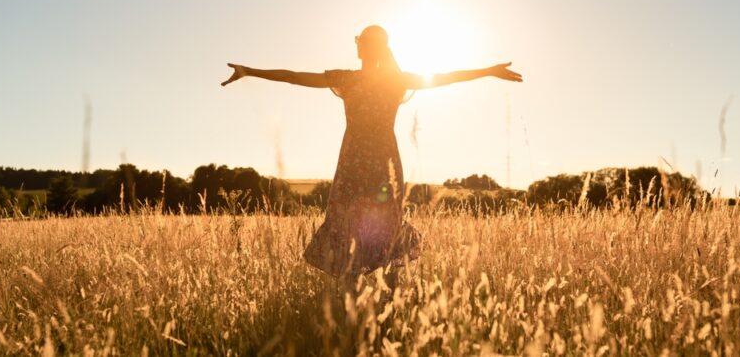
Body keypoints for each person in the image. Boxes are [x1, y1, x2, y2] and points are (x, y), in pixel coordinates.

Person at [221, 25, 522, 289]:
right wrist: (489, 71)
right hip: (383, 158)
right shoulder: (394, 81)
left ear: (365, 47)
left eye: (359, 40)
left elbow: (293, 77)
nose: (357, 44)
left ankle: (360, 296)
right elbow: (447, 77)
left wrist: (251, 71)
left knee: (353, 222)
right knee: (383, 222)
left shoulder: (351, 79)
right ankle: (384, 296)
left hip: (356, 159)